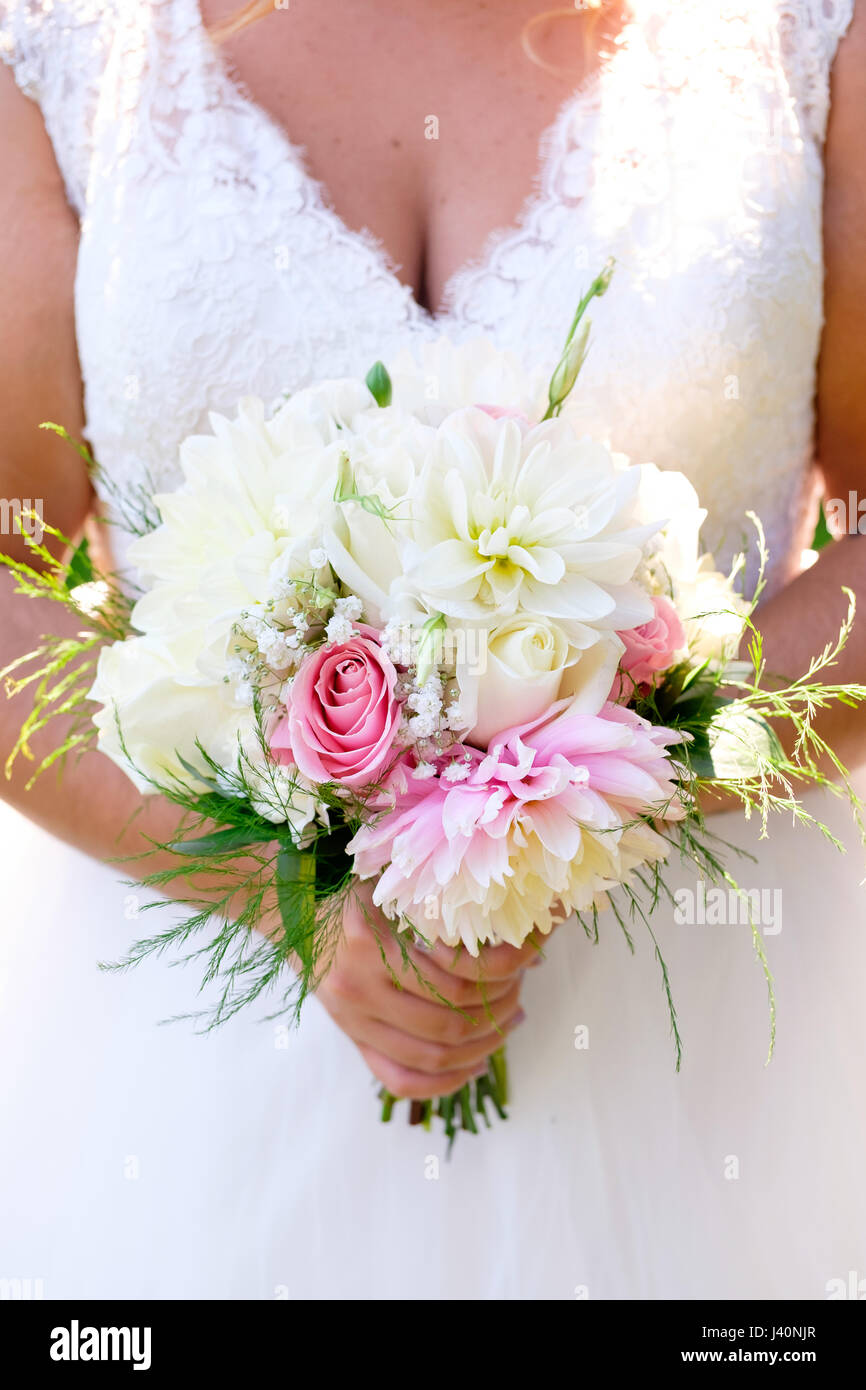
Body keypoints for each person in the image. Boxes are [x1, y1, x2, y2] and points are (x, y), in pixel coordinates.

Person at [0, 0, 863, 1299]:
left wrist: (593, 792)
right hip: (200, 1076)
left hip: (707, 1029)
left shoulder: (804, 28)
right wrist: (275, 882)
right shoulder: (63, 37)